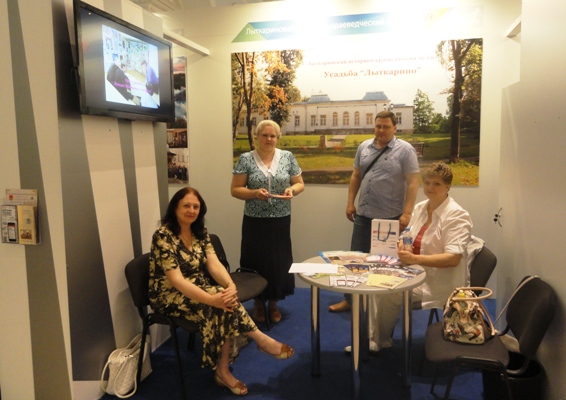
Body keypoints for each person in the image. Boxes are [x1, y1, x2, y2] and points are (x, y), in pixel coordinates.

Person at [149, 187, 294, 396]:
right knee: (217, 305)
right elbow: (176, 280)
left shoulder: (199, 232)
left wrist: (230, 285)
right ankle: (258, 342)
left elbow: (214, 265)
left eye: (196, 206)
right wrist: (211, 299)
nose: (191, 210)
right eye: (186, 206)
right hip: (168, 295)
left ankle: (223, 370)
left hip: (197, 286)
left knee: (224, 299)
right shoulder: (163, 236)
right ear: (175, 208)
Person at [366, 162, 473, 352]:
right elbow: (407, 234)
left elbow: (453, 258)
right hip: (414, 271)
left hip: (437, 281)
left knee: (390, 292)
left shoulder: (457, 215)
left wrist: (415, 260)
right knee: (374, 280)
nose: (430, 188)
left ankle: (379, 340)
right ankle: (373, 338)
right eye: (428, 183)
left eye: (437, 184)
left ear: (448, 186)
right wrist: (401, 243)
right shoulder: (421, 208)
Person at [329, 110, 419, 313]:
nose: (381, 130)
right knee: (356, 259)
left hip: (390, 217)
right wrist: (350, 203)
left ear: (395, 128)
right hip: (363, 214)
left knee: (385, 264)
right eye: (378, 126)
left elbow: (413, 183)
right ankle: (351, 300)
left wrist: (407, 214)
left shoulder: (405, 150)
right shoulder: (364, 147)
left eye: (386, 127)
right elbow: (356, 176)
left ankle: (381, 305)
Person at [231, 120, 304, 324]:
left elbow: (299, 184)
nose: (269, 139)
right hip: (255, 221)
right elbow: (235, 189)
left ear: (277, 138)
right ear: (257, 136)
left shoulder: (287, 157)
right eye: (265, 135)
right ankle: (257, 302)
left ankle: (273, 302)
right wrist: (254, 193)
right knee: (255, 260)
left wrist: (292, 190)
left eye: (273, 136)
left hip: (280, 220)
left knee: (277, 262)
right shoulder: (246, 159)